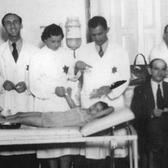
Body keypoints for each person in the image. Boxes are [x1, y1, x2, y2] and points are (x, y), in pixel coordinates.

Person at [76, 16, 130, 168]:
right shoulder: (83, 51)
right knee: (94, 148)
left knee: (115, 147)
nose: (97, 38)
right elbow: (75, 78)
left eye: (100, 33)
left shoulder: (120, 51)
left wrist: (110, 88)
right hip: (91, 102)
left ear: (107, 30)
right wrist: (76, 68)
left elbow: (125, 78)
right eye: (93, 35)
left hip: (113, 101)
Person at [29, 24, 80, 168]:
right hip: (47, 105)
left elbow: (72, 77)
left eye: (59, 41)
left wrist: (71, 86)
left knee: (65, 145)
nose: (56, 44)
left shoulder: (66, 54)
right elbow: (33, 84)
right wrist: (53, 89)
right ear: (45, 40)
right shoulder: (37, 57)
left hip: (64, 104)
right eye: (53, 41)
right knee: (51, 147)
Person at [0, 13, 39, 168]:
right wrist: (2, 83)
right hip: (6, 105)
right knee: (6, 156)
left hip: (27, 105)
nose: (12, 25)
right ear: (4, 27)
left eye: (15, 22)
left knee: (28, 155)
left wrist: (28, 85)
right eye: (8, 23)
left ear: (21, 25)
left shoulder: (34, 51)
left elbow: (40, 78)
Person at [131, 58, 168, 168]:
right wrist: (151, 113)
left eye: (163, 69)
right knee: (154, 128)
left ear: (166, 72)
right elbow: (136, 110)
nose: (160, 73)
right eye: (156, 69)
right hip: (148, 124)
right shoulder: (140, 89)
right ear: (149, 70)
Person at [2, 101, 114, 127]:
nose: (93, 108)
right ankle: (3, 117)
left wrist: (111, 107)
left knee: (19, 120)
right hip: (47, 114)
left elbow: (111, 110)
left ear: (99, 114)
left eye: (96, 109)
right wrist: (67, 94)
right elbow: (73, 106)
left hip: (47, 122)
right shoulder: (83, 110)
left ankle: (2, 122)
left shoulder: (89, 118)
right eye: (94, 105)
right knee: (20, 114)